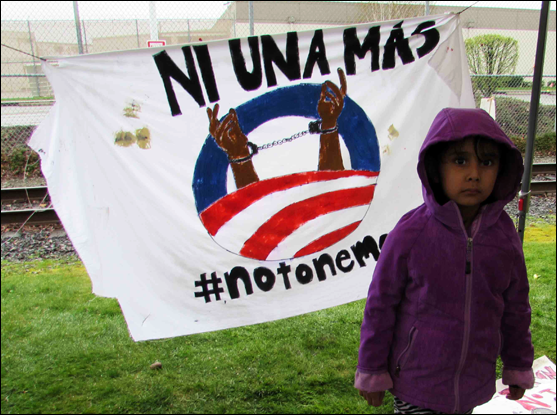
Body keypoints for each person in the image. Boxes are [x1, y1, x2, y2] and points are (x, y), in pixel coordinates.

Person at [355, 108, 535, 414]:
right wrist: (372, 369)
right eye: (460, 160)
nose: (474, 173)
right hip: (416, 384)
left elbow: (516, 306)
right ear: (437, 168)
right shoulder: (411, 233)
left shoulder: (504, 237)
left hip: (473, 385)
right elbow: (380, 305)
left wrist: (518, 364)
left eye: (487, 162)